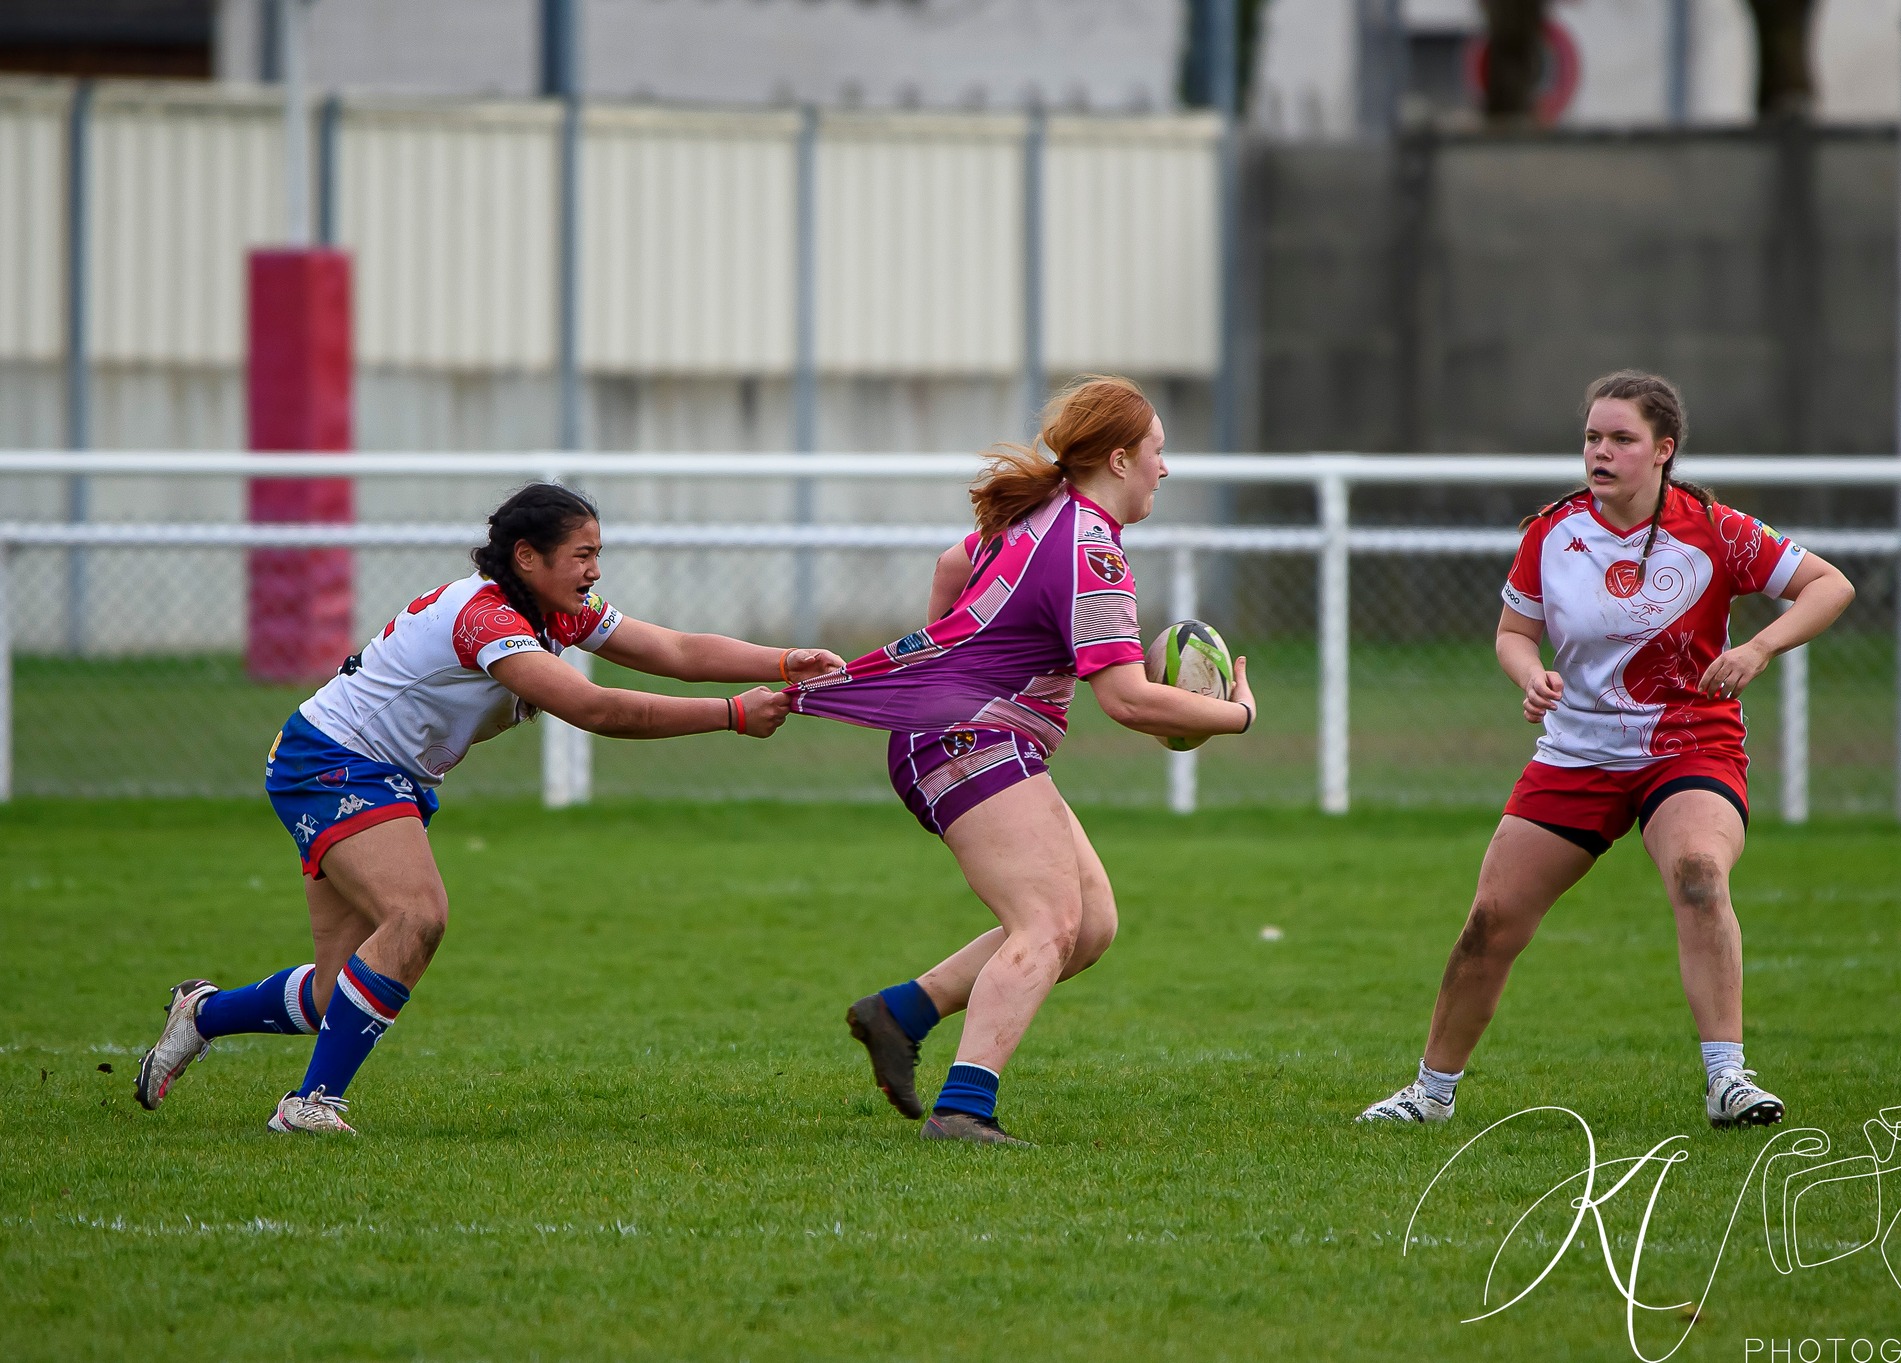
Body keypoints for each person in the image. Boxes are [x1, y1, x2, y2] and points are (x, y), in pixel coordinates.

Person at [134, 482, 842, 1134]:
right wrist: (730, 715)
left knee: (333, 992)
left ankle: (202, 1013)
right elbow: (592, 707)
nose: (595, 570)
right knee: (416, 917)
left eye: (598, 553)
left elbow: (676, 649)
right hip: (333, 761)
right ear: (528, 556)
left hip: (381, 772)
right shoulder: (484, 618)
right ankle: (310, 1105)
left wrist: (784, 662)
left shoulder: (554, 608)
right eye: (583, 554)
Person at [1357, 370, 1855, 1129]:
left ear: (1663, 450)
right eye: (1593, 437)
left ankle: (1728, 1081)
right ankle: (1430, 1094)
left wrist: (1758, 648)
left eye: (1622, 439)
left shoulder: (1714, 528)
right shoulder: (1552, 533)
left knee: (1699, 875)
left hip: (1688, 747)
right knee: (1491, 919)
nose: (1601, 451)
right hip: (1578, 750)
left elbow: (1829, 585)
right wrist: (1530, 676)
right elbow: (1513, 633)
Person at [790, 376, 1257, 1145]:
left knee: (1090, 925)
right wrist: (1236, 714)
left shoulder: (1043, 511)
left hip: (963, 728)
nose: (1165, 468)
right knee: (1048, 921)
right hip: (970, 735)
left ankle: (900, 1012)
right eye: (1157, 451)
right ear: (1118, 459)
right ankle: (963, 1110)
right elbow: (1128, 700)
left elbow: (950, 564)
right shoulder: (1091, 551)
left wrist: (945, 665)